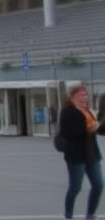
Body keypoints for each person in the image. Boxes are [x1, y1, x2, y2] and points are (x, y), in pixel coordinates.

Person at [59, 84, 104, 220]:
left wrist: (99, 127)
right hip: (76, 155)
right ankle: (68, 214)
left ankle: (90, 214)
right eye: (81, 95)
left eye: (85, 95)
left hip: (91, 153)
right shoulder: (67, 111)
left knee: (98, 184)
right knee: (75, 187)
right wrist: (88, 129)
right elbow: (68, 133)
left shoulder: (88, 111)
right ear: (72, 97)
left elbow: (97, 130)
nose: (84, 97)